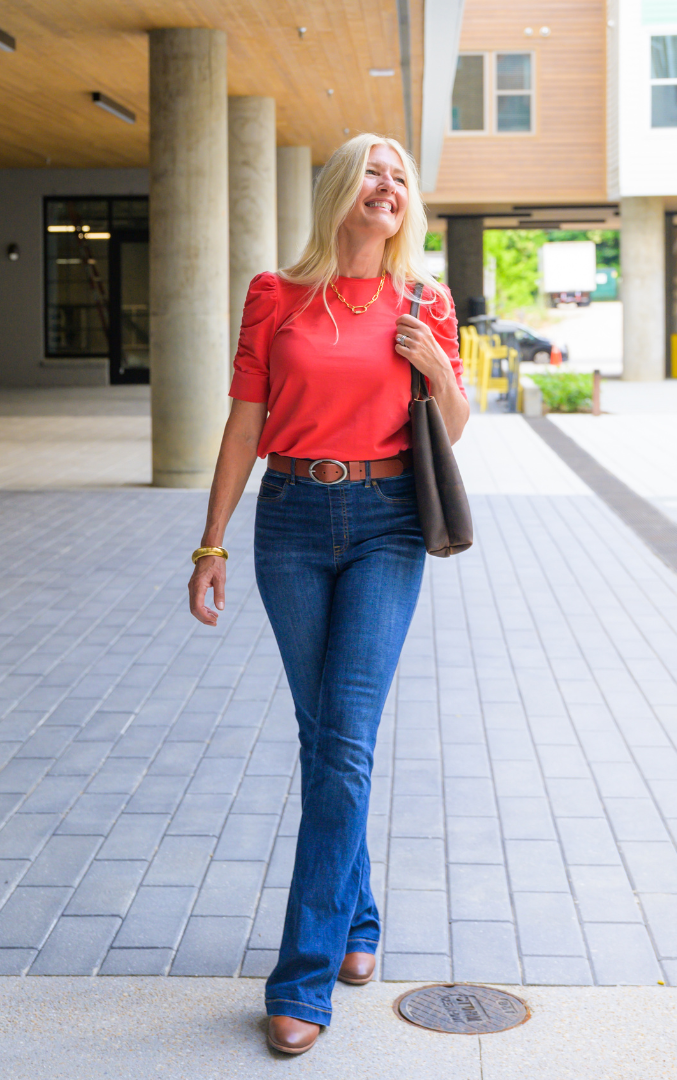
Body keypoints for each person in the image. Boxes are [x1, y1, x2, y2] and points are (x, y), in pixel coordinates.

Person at [187, 133, 470, 1056]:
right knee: (326, 739)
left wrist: (432, 363)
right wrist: (211, 540)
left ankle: (303, 975)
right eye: (371, 172)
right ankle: (356, 920)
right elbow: (244, 421)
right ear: (341, 193)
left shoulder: (426, 299)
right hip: (294, 523)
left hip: (390, 523)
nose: (387, 185)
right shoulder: (277, 295)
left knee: (345, 739)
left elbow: (454, 426)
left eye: (400, 175)